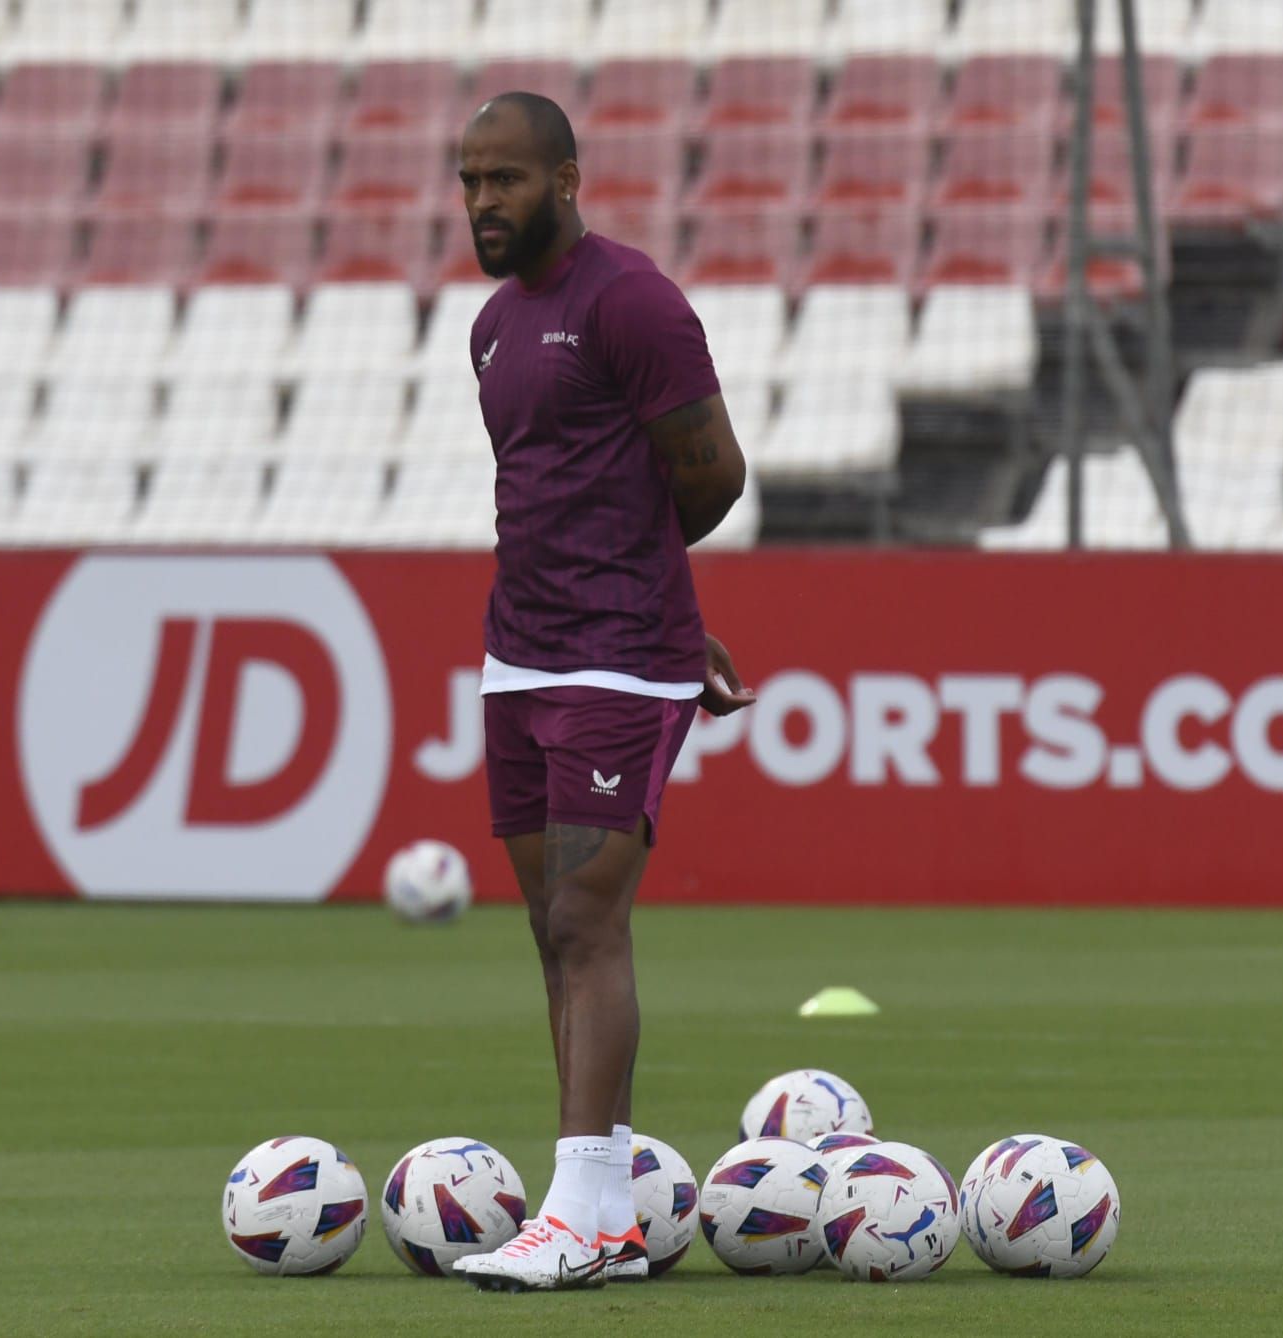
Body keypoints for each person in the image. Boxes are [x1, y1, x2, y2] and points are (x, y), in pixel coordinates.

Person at [446, 92, 755, 1292]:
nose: (484, 201)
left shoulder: (632, 304)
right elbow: (567, 486)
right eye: (471, 180)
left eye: (507, 180)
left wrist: (661, 615)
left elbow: (714, 473)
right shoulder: (488, 329)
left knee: (587, 922)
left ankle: (576, 1212)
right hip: (517, 655)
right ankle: (607, 1211)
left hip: (617, 659)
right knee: (549, 932)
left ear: (566, 181)